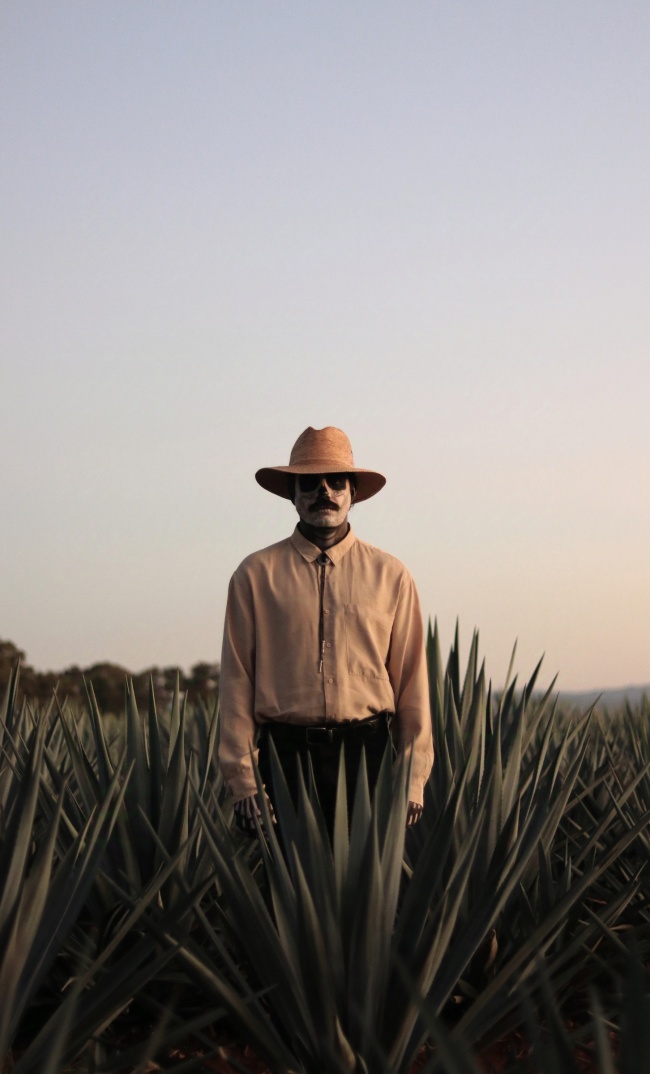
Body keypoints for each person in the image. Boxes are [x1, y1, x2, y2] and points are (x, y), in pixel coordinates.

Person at [218, 425, 434, 834]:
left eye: (336, 481)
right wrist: (244, 781)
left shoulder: (391, 575)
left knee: (368, 896)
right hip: (285, 758)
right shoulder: (255, 575)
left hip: (368, 758)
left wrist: (412, 779)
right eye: (309, 483)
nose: (324, 492)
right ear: (292, 494)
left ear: (352, 492)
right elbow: (236, 682)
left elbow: (412, 684)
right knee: (285, 893)